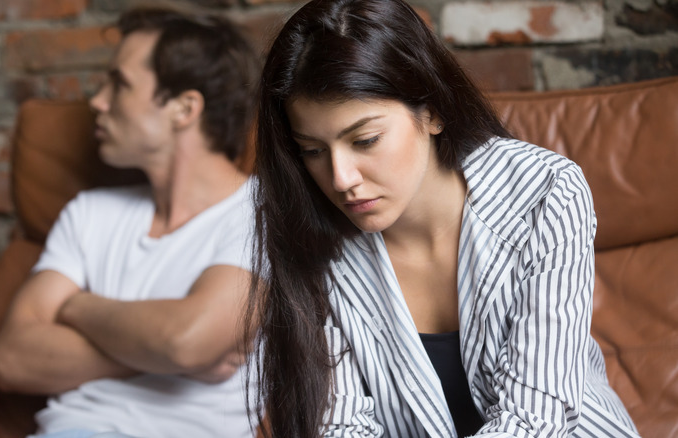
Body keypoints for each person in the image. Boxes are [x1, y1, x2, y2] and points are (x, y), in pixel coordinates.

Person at [244, 0, 641, 436]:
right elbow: (340, 426)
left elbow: (533, 421)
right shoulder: (310, 230)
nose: (341, 179)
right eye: (313, 151)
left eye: (365, 139)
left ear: (431, 111)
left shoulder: (544, 192)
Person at [0, 6, 259, 438]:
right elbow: (11, 359)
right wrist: (166, 356)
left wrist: (74, 306)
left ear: (183, 108)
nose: (98, 101)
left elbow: (186, 341)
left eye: (119, 84)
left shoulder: (262, 214)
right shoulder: (89, 212)